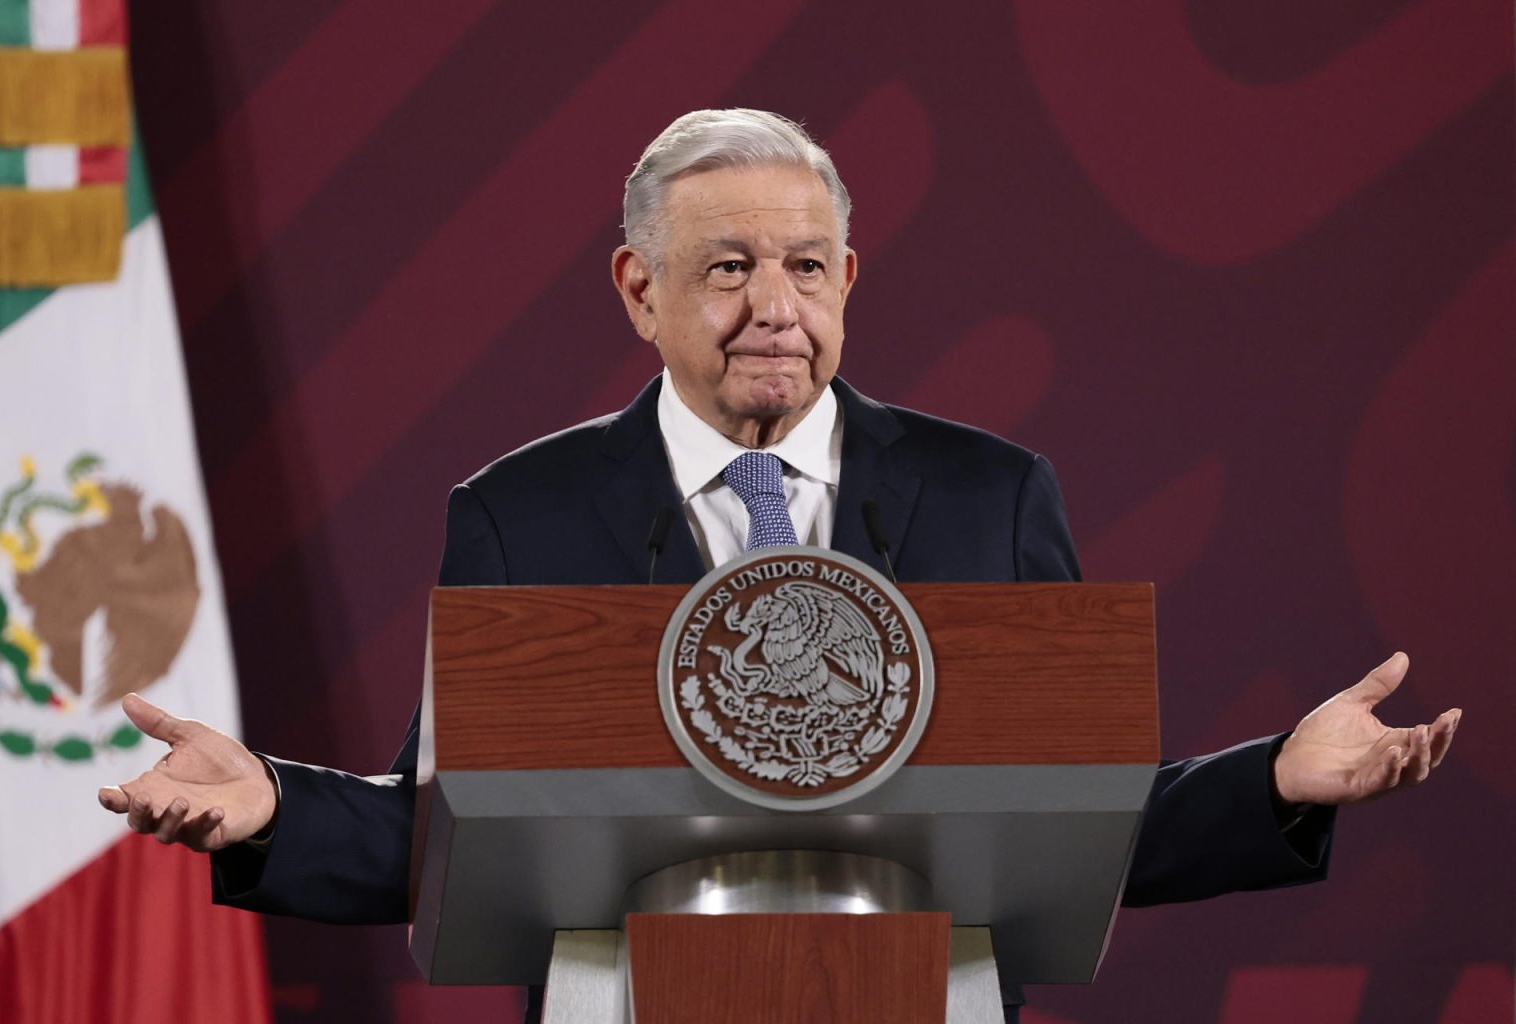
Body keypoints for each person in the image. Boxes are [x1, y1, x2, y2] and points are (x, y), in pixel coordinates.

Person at [99, 109, 1460, 1019]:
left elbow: (1082, 816)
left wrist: (1277, 780)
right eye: (729, 267)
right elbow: (449, 832)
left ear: (852, 277)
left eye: (808, 267)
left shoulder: (989, 498)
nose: (776, 309)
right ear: (639, 290)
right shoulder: (526, 511)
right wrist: (274, 802)